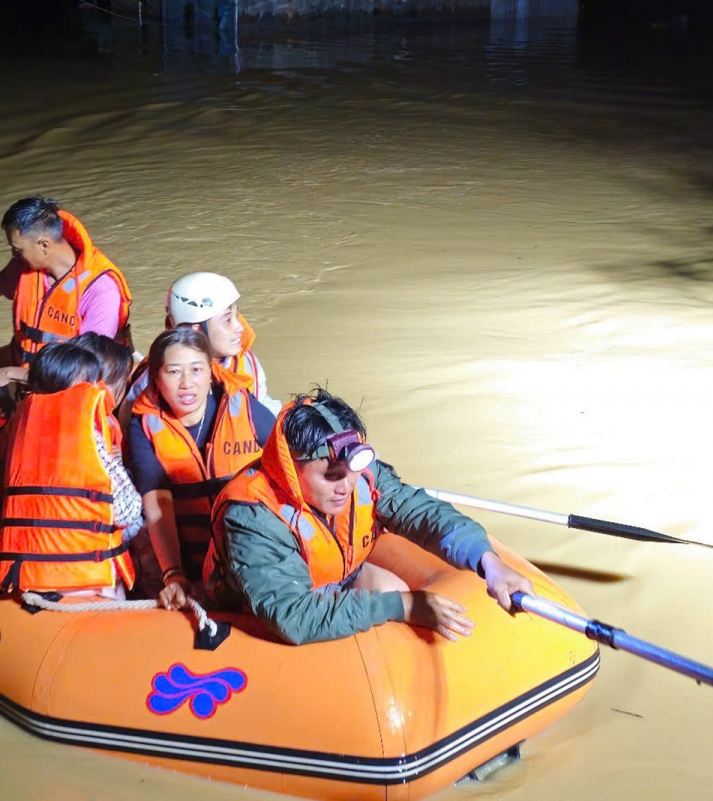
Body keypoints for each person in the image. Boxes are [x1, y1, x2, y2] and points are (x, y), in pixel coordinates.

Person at [201, 389, 536, 645]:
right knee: (394, 604)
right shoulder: (252, 515)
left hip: (337, 577)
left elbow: (420, 512)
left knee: (395, 589)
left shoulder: (360, 475)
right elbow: (292, 616)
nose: (346, 486)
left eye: (351, 472)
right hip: (264, 606)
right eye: (331, 476)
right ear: (292, 470)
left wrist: (488, 561)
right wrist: (401, 606)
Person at [0, 343, 141, 595]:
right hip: (72, 573)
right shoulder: (90, 438)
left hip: (10, 555)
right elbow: (128, 511)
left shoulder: (22, 420)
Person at [127, 327, 276, 606]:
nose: (187, 383)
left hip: (253, 551)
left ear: (211, 373)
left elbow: (290, 465)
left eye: (196, 370)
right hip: (190, 558)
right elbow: (158, 503)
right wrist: (173, 574)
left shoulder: (244, 406)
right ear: (156, 378)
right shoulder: (144, 426)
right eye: (173, 372)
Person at [0, 196, 133, 394]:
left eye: (17, 250)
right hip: (27, 365)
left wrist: (10, 374)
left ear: (43, 245)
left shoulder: (101, 292)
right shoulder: (28, 267)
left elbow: (86, 371)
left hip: (71, 387)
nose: (14, 256)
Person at [122, 272, 281, 418]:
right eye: (227, 320)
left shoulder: (246, 363)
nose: (240, 327)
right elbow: (130, 420)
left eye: (237, 315)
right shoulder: (159, 377)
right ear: (197, 330)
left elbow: (267, 409)